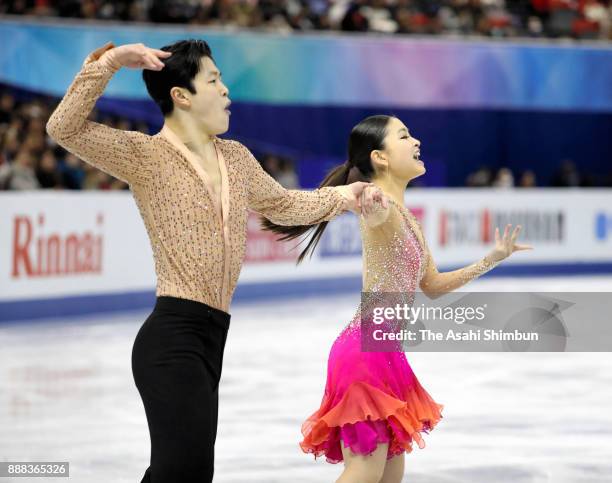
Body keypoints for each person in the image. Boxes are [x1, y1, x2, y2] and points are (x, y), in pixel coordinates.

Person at [46, 40, 382, 483]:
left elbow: (283, 205)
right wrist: (109, 63)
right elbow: (63, 128)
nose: (226, 90)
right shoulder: (146, 156)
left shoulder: (235, 157)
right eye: (214, 80)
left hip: (212, 337)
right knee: (181, 469)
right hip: (171, 337)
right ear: (181, 96)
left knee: (189, 472)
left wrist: (344, 196)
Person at [262, 115, 532, 483]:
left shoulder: (410, 219)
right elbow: (375, 213)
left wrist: (491, 259)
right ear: (381, 157)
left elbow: (433, 285)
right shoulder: (382, 205)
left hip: (388, 358)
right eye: (404, 136)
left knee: (390, 476)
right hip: (364, 356)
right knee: (364, 471)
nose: (416, 140)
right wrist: (370, 198)